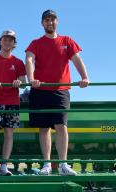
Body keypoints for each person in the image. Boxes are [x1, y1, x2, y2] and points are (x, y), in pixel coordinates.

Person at [25, 10, 89, 176]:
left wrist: (84, 77)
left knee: (61, 127)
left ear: (57, 22)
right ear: (42, 23)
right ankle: (46, 164)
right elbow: (29, 59)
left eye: (52, 19)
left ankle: (63, 164)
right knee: (44, 128)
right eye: (47, 20)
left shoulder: (66, 40)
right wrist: (31, 78)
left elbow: (77, 59)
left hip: (60, 91)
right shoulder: (36, 43)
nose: (50, 22)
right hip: (40, 91)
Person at [0, 30, 26, 176]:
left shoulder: (18, 62)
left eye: (11, 40)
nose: (7, 42)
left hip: (12, 102)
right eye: (5, 39)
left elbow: (24, 83)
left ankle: (3, 166)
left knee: (9, 134)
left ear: (14, 44)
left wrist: (18, 82)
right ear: (0, 41)